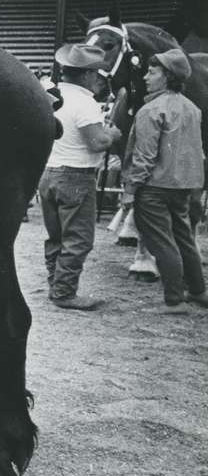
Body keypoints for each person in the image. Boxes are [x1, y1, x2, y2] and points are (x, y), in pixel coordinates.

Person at [122, 49, 208, 308]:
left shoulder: (150, 110)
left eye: (152, 72)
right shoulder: (192, 108)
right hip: (183, 186)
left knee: (161, 242)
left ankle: (174, 299)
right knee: (183, 238)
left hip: (154, 188)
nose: (146, 77)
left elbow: (144, 156)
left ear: (167, 76)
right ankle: (198, 290)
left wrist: (130, 190)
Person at [39, 43, 122, 310]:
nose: (98, 80)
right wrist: (113, 134)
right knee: (79, 238)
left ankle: (55, 284)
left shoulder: (50, 94)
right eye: (97, 74)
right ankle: (64, 292)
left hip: (49, 172)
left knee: (56, 236)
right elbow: (96, 142)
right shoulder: (85, 103)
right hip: (76, 175)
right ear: (87, 74)